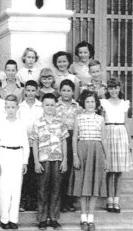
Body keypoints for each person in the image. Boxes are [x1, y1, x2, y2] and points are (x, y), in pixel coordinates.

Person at [69, 90, 108, 231]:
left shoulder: (100, 119)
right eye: (87, 102)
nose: (90, 104)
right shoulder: (78, 118)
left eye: (92, 101)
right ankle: (83, 218)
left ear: (96, 103)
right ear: (83, 103)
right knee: (82, 186)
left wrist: (106, 157)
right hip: (82, 150)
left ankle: (91, 218)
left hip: (96, 151)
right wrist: (75, 156)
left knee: (93, 186)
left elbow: (103, 139)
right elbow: (74, 138)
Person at [32, 93, 69, 230]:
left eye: (52, 105)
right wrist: (36, 162)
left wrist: (65, 160)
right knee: (42, 190)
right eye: (47, 104)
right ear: (42, 106)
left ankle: (53, 218)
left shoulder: (60, 123)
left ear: (56, 106)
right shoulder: (38, 123)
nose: (49, 107)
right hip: (43, 161)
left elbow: (64, 141)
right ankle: (42, 219)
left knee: (56, 189)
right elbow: (35, 143)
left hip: (57, 160)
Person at [0, 94, 29, 230]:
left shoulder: (21, 124)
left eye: (13, 107)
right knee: (3, 189)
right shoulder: (0, 124)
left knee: (16, 189)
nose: (10, 109)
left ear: (17, 108)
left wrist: (25, 161)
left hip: (17, 156)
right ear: (5, 108)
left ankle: (13, 219)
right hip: (4, 155)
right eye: (8, 107)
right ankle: (4, 219)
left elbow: (25, 144)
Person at [101, 78, 133, 213]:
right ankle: (109, 200)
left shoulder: (125, 103)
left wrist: (130, 140)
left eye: (116, 88)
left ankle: (116, 200)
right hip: (108, 132)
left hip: (121, 133)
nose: (114, 90)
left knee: (119, 170)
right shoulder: (104, 103)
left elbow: (126, 122)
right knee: (110, 170)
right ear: (107, 89)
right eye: (111, 88)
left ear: (120, 88)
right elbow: (102, 121)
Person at [55, 79, 83, 213]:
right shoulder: (55, 106)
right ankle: (59, 201)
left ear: (73, 92)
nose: (66, 93)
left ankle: (69, 201)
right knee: (60, 170)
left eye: (69, 90)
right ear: (60, 91)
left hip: (73, 139)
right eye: (64, 90)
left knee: (71, 171)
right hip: (59, 139)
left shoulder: (78, 107)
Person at [18, 80, 43, 212]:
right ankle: (23, 201)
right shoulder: (20, 107)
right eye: (28, 90)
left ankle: (34, 201)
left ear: (37, 91)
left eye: (33, 90)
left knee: (36, 174)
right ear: (24, 91)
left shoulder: (41, 107)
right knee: (24, 174)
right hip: (23, 145)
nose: (30, 93)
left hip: (38, 146)